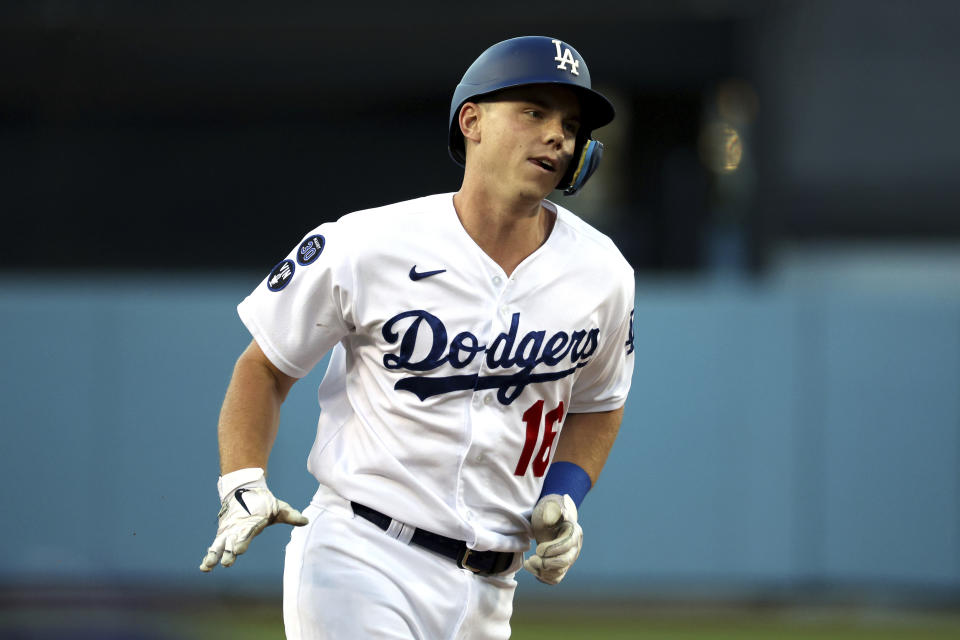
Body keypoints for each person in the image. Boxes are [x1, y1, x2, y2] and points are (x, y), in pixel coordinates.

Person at [199, 35, 635, 640]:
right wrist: (241, 482)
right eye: (534, 111)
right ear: (472, 121)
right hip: (362, 556)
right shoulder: (368, 243)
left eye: (570, 122)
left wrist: (565, 497)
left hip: (491, 588)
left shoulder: (603, 272)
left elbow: (599, 403)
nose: (557, 135)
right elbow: (265, 366)